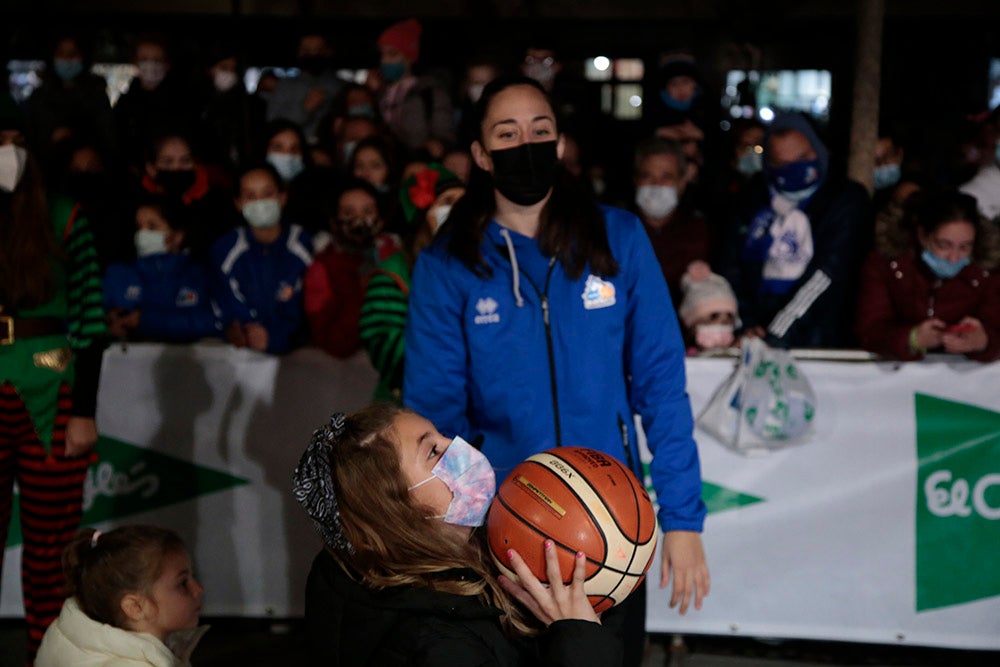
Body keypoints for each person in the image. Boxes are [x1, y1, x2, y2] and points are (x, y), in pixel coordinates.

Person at [402, 75, 709, 667]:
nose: (527, 144)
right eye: (507, 133)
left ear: (561, 143)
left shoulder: (616, 236)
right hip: (507, 527)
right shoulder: (448, 261)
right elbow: (437, 411)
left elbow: (662, 385)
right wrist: (460, 532)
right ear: (481, 154)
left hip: (612, 523)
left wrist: (684, 519)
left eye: (540, 131)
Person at [293, 405, 622, 666]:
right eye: (433, 452)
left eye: (442, 435)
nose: (457, 446)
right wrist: (581, 643)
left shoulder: (352, 563)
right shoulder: (437, 647)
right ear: (395, 514)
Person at [0, 140, 107, 662]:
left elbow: (91, 318)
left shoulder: (65, 216)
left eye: (13, 141)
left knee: (53, 543)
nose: (5, 151)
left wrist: (84, 410)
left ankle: (52, 652)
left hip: (54, 390)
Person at [720, 111, 870, 348]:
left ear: (819, 151)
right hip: (754, 336)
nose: (793, 169)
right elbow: (731, 267)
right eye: (782, 163)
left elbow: (827, 273)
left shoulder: (845, 199)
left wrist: (777, 335)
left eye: (802, 158)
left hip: (820, 340)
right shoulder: (751, 199)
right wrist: (746, 325)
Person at [359, 164, 465, 402]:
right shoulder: (393, 272)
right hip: (409, 406)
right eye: (447, 201)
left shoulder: (484, 266)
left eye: (465, 201)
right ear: (423, 215)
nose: (459, 210)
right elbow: (383, 343)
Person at [855, 190, 1000, 362]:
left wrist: (984, 341)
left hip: (963, 380)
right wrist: (912, 339)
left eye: (965, 247)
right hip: (896, 374)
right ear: (922, 236)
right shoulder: (886, 264)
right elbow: (870, 329)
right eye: (944, 245)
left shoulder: (987, 267)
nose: (954, 258)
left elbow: (995, 327)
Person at [35, 525, 207, 667]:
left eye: (194, 577)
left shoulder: (66, 633)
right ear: (135, 607)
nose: (199, 590)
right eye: (183, 584)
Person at [211, 164, 313, 355]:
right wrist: (242, 329)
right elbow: (224, 302)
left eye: (268, 194)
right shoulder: (225, 250)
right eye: (250, 196)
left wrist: (275, 337)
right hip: (243, 358)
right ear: (238, 203)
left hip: (297, 359)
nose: (260, 202)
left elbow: (305, 310)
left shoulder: (304, 246)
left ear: (283, 197)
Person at [304, 178, 401, 359]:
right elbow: (334, 344)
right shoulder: (322, 268)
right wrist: (358, 288)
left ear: (380, 221)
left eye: (368, 212)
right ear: (334, 223)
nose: (359, 221)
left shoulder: (397, 257)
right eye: (349, 213)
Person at [103, 195, 220, 343]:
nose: (142, 234)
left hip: (188, 363)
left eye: (152, 227)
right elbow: (82, 321)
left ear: (177, 236)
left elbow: (214, 322)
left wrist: (146, 321)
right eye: (139, 227)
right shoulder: (118, 274)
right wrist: (106, 323)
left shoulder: (199, 276)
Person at [631, 137, 712, 305]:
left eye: (666, 177)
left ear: (682, 182)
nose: (656, 185)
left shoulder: (699, 232)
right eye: (648, 176)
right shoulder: (617, 231)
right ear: (636, 181)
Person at [374, 18, 455, 160]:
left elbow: (444, 133)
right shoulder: (380, 92)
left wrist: (438, 145)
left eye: (392, 54)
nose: (384, 60)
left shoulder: (429, 91)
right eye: (382, 54)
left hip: (419, 161)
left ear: (409, 57)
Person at [264, 32, 344, 146]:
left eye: (318, 50)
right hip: (294, 150)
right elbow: (272, 125)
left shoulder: (340, 87)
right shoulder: (285, 86)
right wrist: (304, 109)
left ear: (328, 51)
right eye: (307, 51)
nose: (313, 54)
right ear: (299, 52)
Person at [677, 261, 738, 354]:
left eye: (727, 321)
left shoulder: (737, 355)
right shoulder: (684, 358)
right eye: (712, 318)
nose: (719, 328)